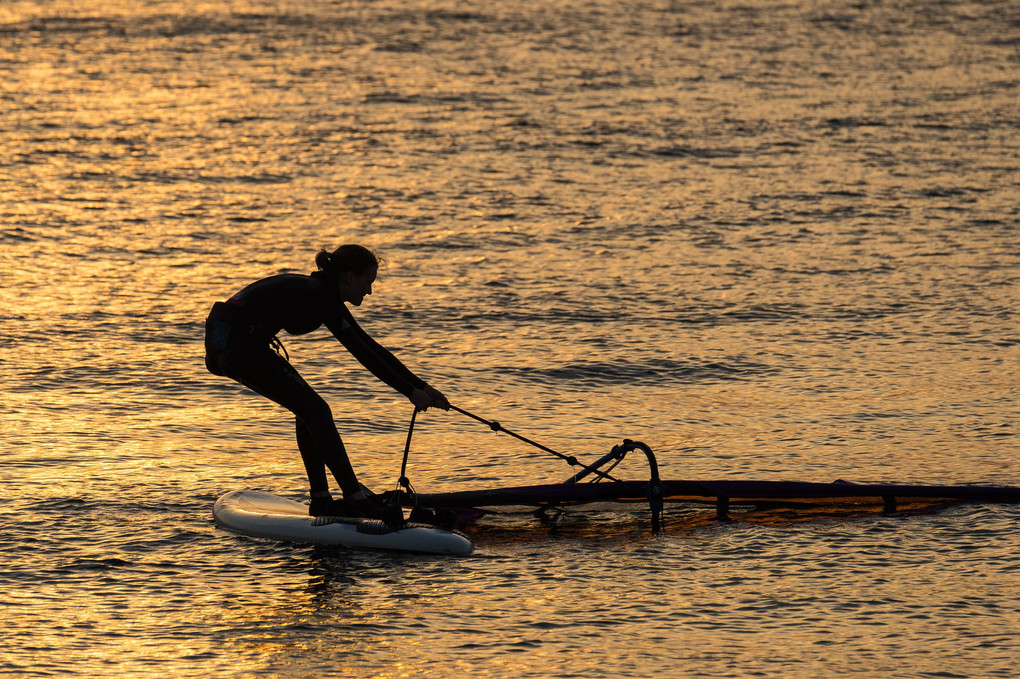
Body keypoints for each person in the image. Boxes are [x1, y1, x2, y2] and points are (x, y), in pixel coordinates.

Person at [203, 244, 449, 520]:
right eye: (367, 282)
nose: (369, 291)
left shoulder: (322, 293)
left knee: (308, 410)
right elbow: (363, 353)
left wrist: (421, 387)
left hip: (235, 341)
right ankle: (354, 496)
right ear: (349, 277)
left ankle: (321, 498)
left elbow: (370, 346)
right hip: (235, 343)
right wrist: (410, 391)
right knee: (317, 411)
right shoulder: (321, 295)